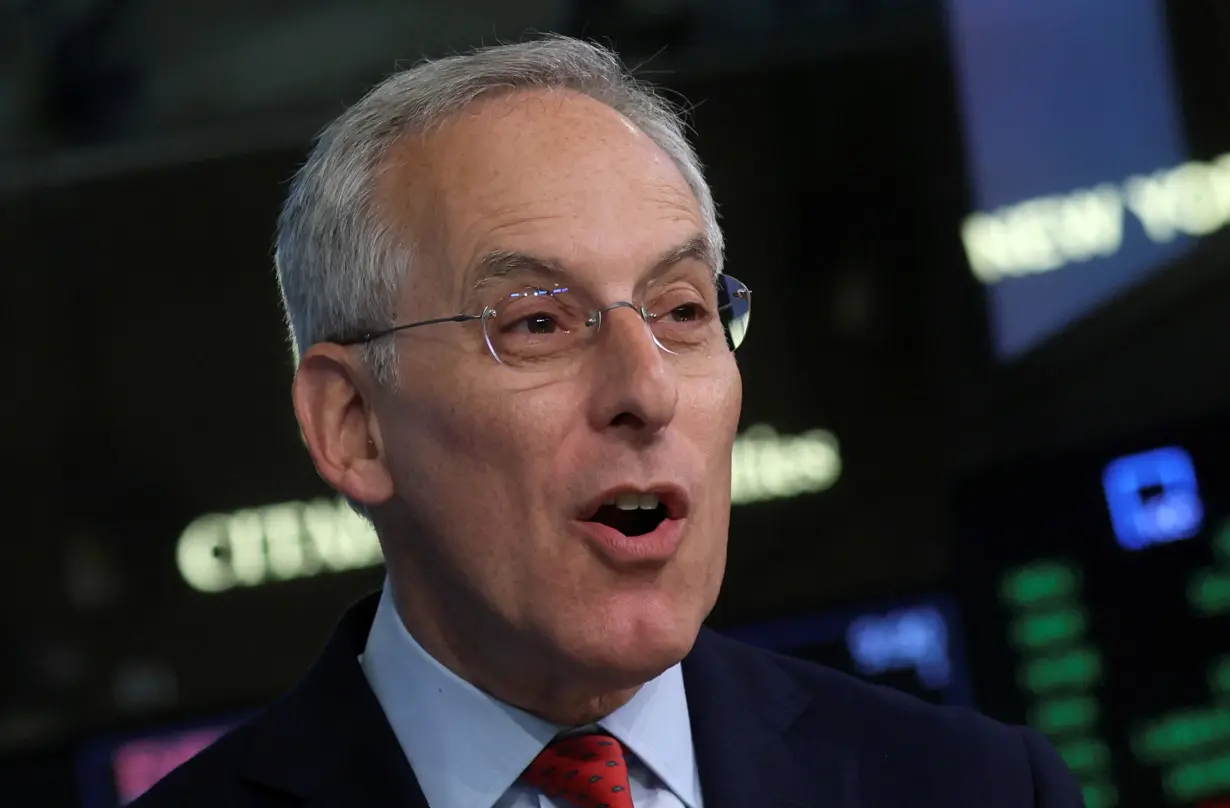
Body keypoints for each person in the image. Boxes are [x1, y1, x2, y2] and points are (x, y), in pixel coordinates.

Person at [132, 35, 1084, 808]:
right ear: (353, 424)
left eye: (681, 312)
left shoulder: (977, 787)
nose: (649, 390)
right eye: (538, 323)